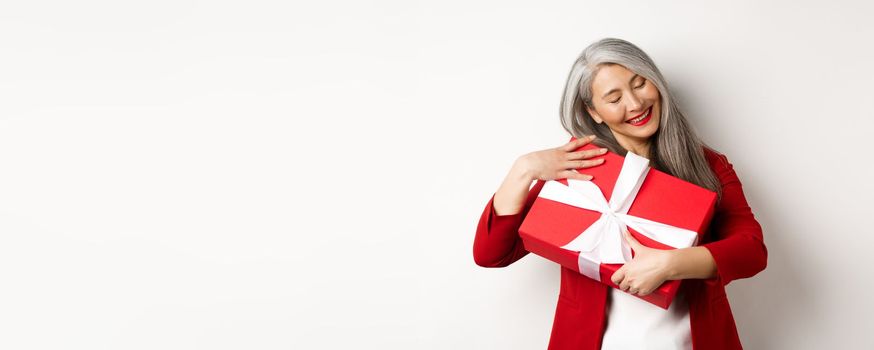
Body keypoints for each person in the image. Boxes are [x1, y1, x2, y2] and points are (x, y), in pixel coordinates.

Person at [472, 38, 767, 350]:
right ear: (593, 111)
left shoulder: (707, 165)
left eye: (640, 84)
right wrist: (524, 169)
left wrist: (671, 264)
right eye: (614, 98)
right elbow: (492, 253)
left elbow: (751, 251)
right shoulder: (581, 167)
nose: (635, 103)